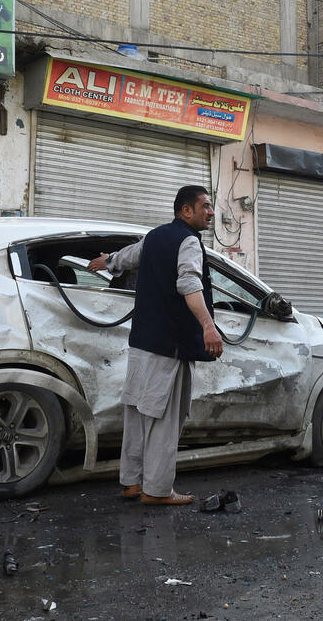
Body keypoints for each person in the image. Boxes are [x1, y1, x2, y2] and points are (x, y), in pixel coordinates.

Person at [88, 186, 224, 505]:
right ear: (185, 211)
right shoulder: (189, 241)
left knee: (137, 413)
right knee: (164, 417)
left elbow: (128, 257)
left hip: (142, 342)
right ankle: (158, 491)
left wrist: (106, 262)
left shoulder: (154, 236)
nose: (211, 212)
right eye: (205, 206)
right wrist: (209, 326)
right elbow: (189, 283)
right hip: (169, 345)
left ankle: (132, 483)